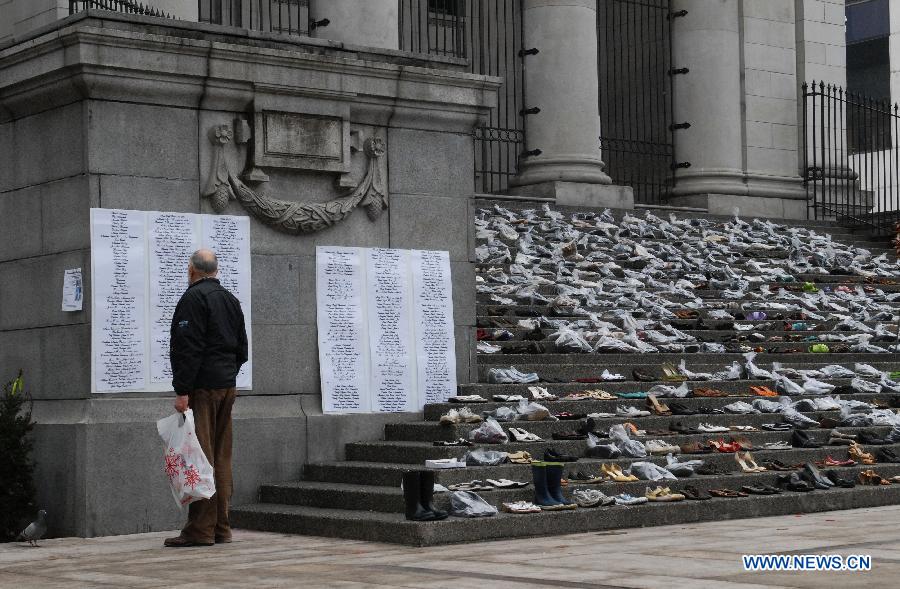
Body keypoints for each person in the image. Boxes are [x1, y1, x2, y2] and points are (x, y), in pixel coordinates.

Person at [164, 249, 248, 548]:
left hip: (203, 388)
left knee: (201, 457)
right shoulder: (230, 300)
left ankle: (200, 530)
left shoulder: (193, 298)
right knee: (222, 458)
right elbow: (242, 349)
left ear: (191, 271)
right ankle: (221, 527)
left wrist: (182, 390)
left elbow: (187, 347)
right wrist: (227, 374)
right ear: (216, 269)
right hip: (227, 385)